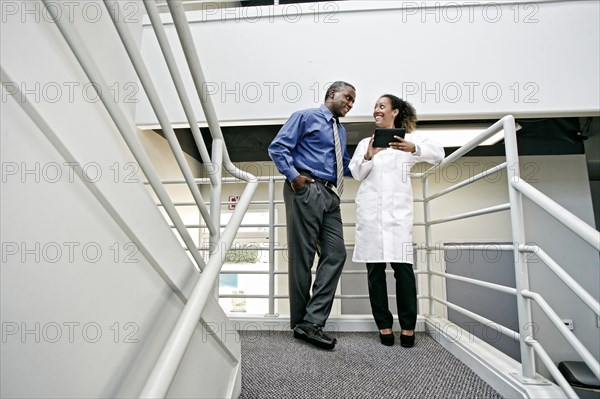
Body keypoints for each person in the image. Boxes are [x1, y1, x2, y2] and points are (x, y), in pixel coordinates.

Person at [349, 94, 444, 347]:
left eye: (381, 106)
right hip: (371, 216)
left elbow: (439, 154)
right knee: (375, 274)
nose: (376, 111)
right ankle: (384, 325)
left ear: (395, 111)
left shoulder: (410, 141)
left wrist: (415, 149)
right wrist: (369, 154)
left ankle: (408, 328)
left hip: (398, 218)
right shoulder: (364, 142)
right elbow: (356, 173)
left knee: (404, 272)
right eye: (375, 107)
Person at [268, 81, 356, 350]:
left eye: (353, 101)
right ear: (332, 94)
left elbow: (346, 166)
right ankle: (301, 322)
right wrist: (294, 178)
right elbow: (278, 147)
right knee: (303, 257)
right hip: (306, 188)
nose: (350, 104)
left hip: (331, 195)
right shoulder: (305, 116)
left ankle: (311, 320)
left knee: (336, 253)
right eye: (348, 98)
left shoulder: (340, 131)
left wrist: (372, 157)